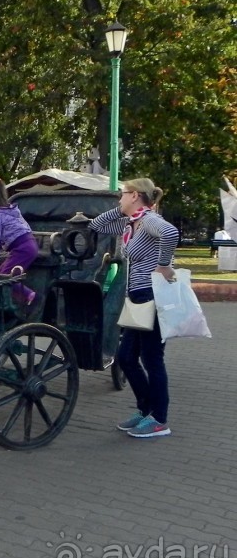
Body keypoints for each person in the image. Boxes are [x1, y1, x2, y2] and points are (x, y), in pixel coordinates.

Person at [90, 178, 178, 438]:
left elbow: (171, 233)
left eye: (123, 194)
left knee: (152, 359)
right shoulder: (132, 222)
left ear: (136, 195)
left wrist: (163, 264)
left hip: (152, 295)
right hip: (138, 297)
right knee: (126, 357)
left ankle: (160, 420)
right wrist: (122, 209)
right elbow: (96, 224)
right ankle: (145, 410)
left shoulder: (149, 220)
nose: (119, 198)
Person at [0, 178, 38, 306]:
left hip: (21, 248)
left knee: (2, 278)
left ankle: (27, 294)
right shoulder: (12, 210)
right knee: (0, 274)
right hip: (30, 244)